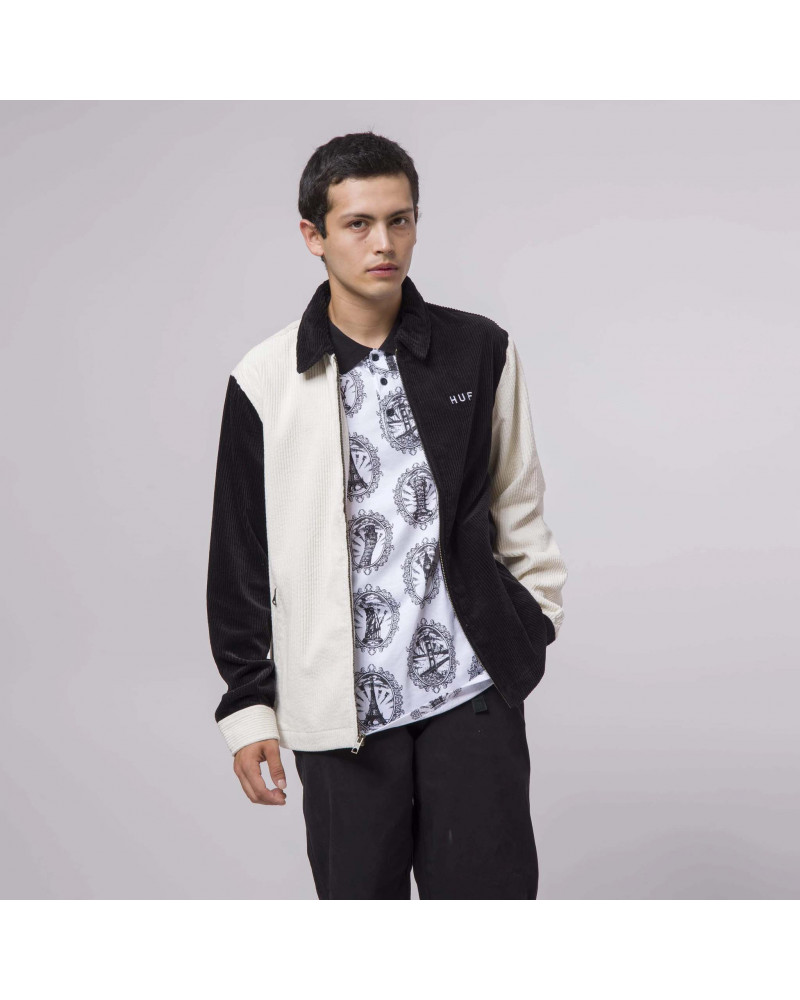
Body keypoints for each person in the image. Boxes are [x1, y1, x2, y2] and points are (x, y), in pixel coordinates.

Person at [206, 130, 568, 899]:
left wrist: (529, 626)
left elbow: (519, 502)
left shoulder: (479, 350)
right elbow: (239, 560)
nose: (384, 243)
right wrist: (249, 710)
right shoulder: (266, 380)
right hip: (340, 717)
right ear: (314, 236)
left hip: (470, 695)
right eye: (359, 223)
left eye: (400, 220)